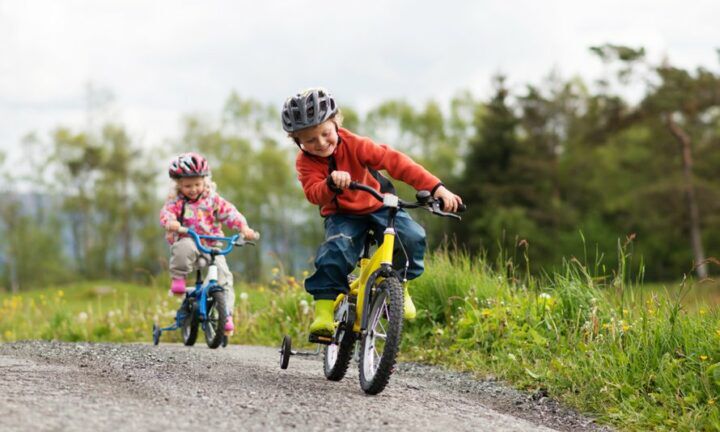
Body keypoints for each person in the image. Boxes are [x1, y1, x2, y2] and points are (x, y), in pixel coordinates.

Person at [281, 88, 463, 337]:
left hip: (378, 204)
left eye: (325, 134)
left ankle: (398, 286)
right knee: (336, 250)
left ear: (336, 124)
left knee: (410, 235)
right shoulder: (306, 162)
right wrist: (330, 183)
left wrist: (435, 187)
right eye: (310, 141)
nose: (321, 143)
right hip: (342, 214)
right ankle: (323, 312)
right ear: (298, 142)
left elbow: (397, 163)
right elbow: (314, 193)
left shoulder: (356, 145)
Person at [159, 152, 259, 334]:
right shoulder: (177, 202)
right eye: (188, 185)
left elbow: (230, 213)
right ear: (179, 184)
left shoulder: (212, 200)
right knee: (184, 247)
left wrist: (243, 228)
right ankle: (179, 278)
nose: (193, 189)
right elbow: (166, 214)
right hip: (189, 240)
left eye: (197, 184)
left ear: (205, 181)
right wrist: (171, 223)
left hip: (212, 244)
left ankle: (225, 314)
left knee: (225, 278)